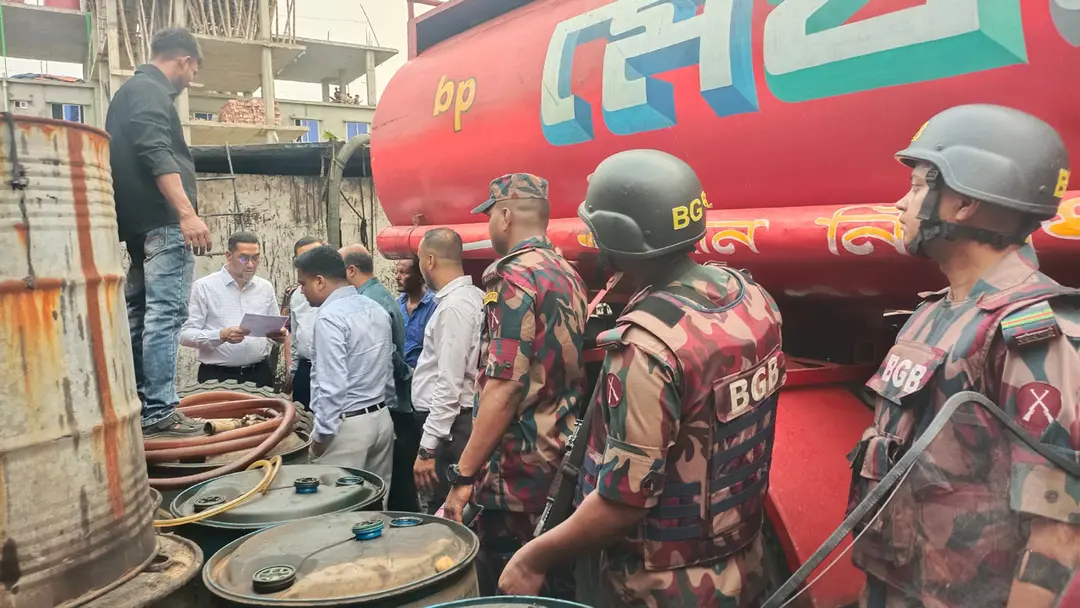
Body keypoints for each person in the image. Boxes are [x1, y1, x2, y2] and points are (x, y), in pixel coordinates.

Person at [498, 151, 786, 606]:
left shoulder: (647, 346)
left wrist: (533, 559)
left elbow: (623, 502)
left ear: (619, 236)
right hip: (745, 563)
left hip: (665, 587)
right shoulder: (752, 298)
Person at [841, 104, 1079, 607]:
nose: (900, 204)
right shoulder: (933, 314)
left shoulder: (1029, 334)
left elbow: (1056, 539)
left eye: (917, 186)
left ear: (964, 203)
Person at [441, 173, 588, 596]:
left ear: (504, 216)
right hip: (558, 459)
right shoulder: (566, 272)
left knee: (511, 585)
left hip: (515, 471)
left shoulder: (512, 277)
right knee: (554, 582)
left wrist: (463, 475)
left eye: (490, 215)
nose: (489, 225)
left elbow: (505, 387)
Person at [108, 28, 210, 438]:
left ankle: (139, 402)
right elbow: (156, 152)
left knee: (140, 313)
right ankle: (159, 411)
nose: (190, 79)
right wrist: (187, 213)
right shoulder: (151, 92)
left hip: (138, 227)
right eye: (193, 71)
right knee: (165, 315)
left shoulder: (126, 94)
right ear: (184, 60)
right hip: (164, 224)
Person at [295, 245, 395, 503]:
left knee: (335, 509)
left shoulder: (330, 318)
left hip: (346, 429)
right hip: (381, 419)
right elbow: (387, 369)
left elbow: (332, 386)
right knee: (374, 506)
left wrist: (320, 438)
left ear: (320, 281)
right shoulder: (374, 308)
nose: (301, 291)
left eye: (303, 283)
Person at [340, 243, 418, 512]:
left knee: (384, 484)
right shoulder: (379, 296)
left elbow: (387, 356)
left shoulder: (368, 303)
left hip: (387, 403)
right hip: (390, 401)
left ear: (351, 271)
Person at [411, 228, 484, 513]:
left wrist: (427, 448)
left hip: (450, 431)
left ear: (429, 260)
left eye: (419, 259)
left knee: (443, 513)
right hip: (454, 425)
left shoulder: (454, 308)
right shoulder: (473, 296)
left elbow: (449, 383)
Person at [180, 231, 285, 386]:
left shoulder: (265, 287)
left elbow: (273, 328)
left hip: (260, 373)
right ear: (229, 256)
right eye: (244, 258)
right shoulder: (204, 287)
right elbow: (185, 335)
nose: (250, 264)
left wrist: (278, 335)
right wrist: (221, 335)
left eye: (255, 258)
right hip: (217, 375)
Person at [282, 236, 326, 407]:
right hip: (304, 370)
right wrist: (293, 372)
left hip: (328, 369)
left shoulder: (338, 291)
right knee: (302, 417)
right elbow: (294, 335)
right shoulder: (296, 295)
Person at [397, 258, 437, 368]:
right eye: (396, 272)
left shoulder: (434, 306)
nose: (397, 277)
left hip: (424, 373)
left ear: (420, 277)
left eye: (403, 273)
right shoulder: (397, 305)